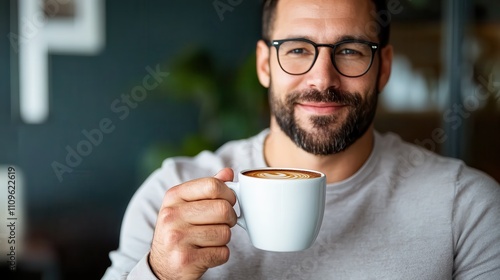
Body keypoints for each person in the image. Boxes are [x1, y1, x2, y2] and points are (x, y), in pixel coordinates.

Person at [102, 0, 500, 279]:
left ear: (383, 68)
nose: (322, 78)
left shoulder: (465, 209)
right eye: (296, 49)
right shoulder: (170, 198)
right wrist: (161, 274)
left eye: (350, 50)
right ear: (264, 64)